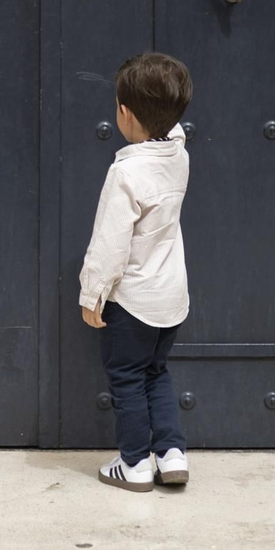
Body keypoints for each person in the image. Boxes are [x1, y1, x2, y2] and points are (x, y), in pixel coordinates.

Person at [78, 51, 193, 492]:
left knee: (126, 378)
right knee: (155, 373)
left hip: (134, 302)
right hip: (171, 298)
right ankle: (171, 453)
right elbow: (171, 128)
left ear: (125, 113)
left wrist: (93, 294)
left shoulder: (125, 173)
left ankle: (134, 464)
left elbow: (110, 244)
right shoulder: (178, 157)